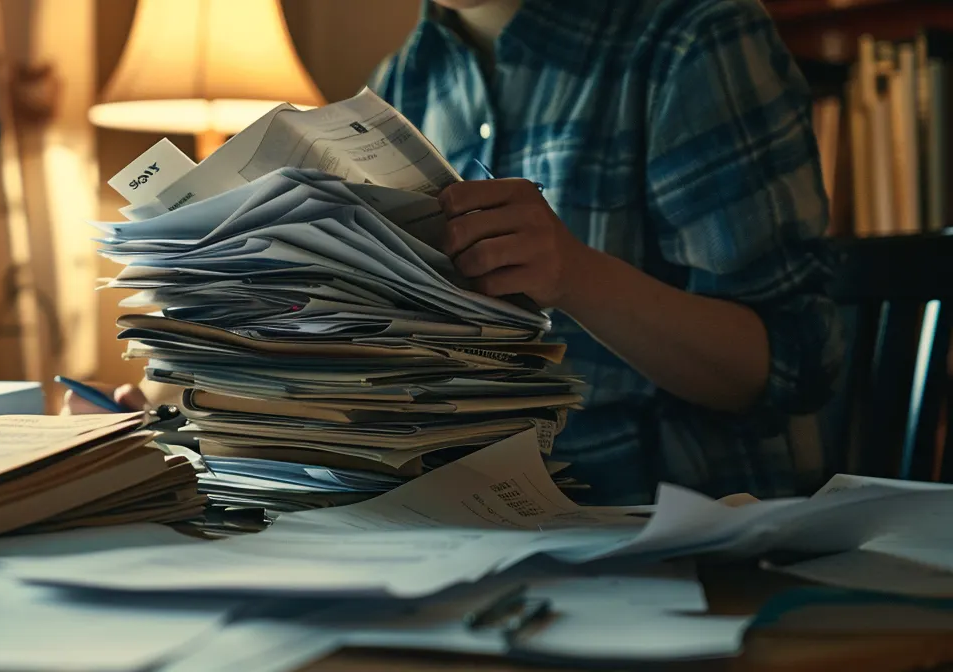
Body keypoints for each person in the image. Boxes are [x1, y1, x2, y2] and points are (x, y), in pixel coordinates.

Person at [68, 0, 843, 505]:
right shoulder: (406, 78)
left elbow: (795, 364)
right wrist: (216, 402)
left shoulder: (690, 40)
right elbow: (383, 356)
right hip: (453, 525)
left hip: (658, 532)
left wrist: (575, 274)